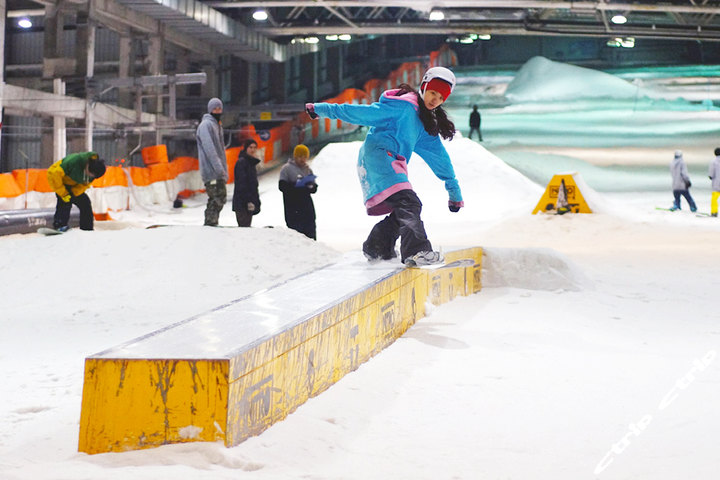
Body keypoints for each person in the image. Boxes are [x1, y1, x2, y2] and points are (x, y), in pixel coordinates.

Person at [305, 66, 463, 266]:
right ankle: (417, 251)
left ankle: (377, 245)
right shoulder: (402, 108)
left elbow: (439, 157)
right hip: (378, 157)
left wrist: (453, 191)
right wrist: (321, 109)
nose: (435, 100)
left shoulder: (424, 124)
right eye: (433, 93)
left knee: (404, 208)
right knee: (409, 203)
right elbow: (361, 113)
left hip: (391, 162)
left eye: (441, 98)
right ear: (423, 87)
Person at [46, 151, 106, 231]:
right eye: (90, 174)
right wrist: (63, 193)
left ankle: (87, 228)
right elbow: (53, 174)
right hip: (61, 183)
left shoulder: (93, 172)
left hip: (75, 186)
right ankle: (60, 225)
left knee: (85, 203)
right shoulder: (74, 162)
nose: (90, 177)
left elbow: (85, 185)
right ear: (88, 167)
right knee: (64, 203)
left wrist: (75, 192)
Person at [197, 97, 228, 226]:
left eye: (219, 108)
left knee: (220, 197)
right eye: (215, 108)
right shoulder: (206, 125)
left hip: (217, 171)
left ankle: (212, 222)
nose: (218, 110)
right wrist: (219, 169)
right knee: (216, 197)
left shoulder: (217, 126)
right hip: (211, 171)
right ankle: (210, 223)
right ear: (210, 110)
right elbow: (210, 149)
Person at [278, 144, 318, 240]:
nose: (303, 159)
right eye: (300, 156)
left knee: (310, 235)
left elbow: (314, 188)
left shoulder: (308, 170)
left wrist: (311, 187)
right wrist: (297, 187)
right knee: (296, 235)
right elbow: (282, 186)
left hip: (307, 208)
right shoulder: (286, 169)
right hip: (293, 208)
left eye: (305, 157)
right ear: (295, 156)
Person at [232, 139, 262, 227]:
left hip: (248, 202)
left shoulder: (250, 163)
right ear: (246, 148)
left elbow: (253, 185)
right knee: (244, 228)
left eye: (254, 147)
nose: (252, 150)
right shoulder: (242, 163)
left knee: (246, 227)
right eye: (250, 147)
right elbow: (242, 184)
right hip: (242, 203)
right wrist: (248, 200)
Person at [709, 147, 720, 217]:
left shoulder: (713, 162)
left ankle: (714, 212)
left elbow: (711, 174)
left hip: (716, 184)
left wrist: (710, 176)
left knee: (714, 199)